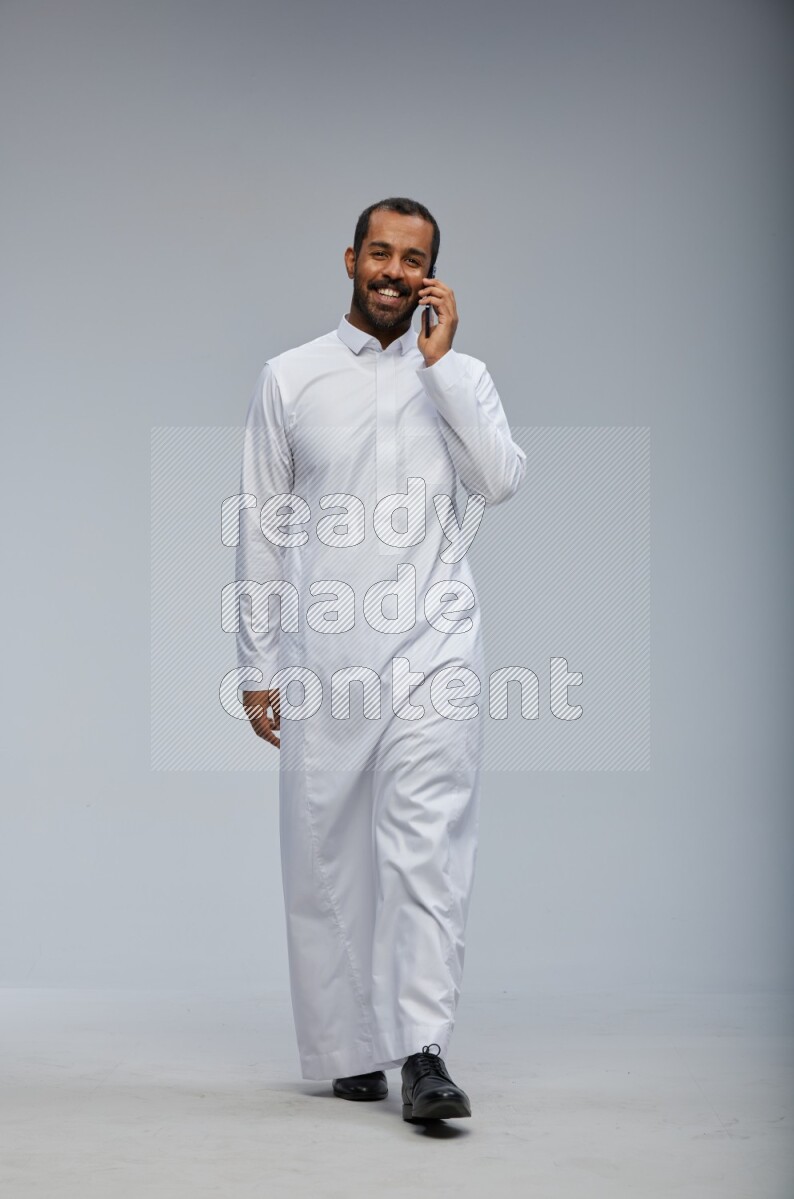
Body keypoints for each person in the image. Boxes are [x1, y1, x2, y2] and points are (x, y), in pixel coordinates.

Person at [234, 197, 526, 1123]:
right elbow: (262, 526)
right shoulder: (291, 377)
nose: (395, 271)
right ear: (351, 259)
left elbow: (500, 480)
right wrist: (256, 665)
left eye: (415, 258)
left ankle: (424, 1050)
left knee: (426, 849)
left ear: (433, 273)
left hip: (437, 647)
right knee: (323, 851)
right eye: (381, 253)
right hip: (326, 652)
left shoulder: (462, 376)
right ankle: (343, 1046)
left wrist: (441, 374)